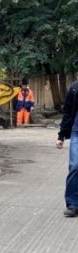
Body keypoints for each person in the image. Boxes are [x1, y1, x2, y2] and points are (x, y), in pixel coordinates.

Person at [56, 73, 78, 216]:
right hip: (77, 132)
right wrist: (62, 135)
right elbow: (67, 112)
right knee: (75, 166)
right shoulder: (75, 88)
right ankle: (72, 204)